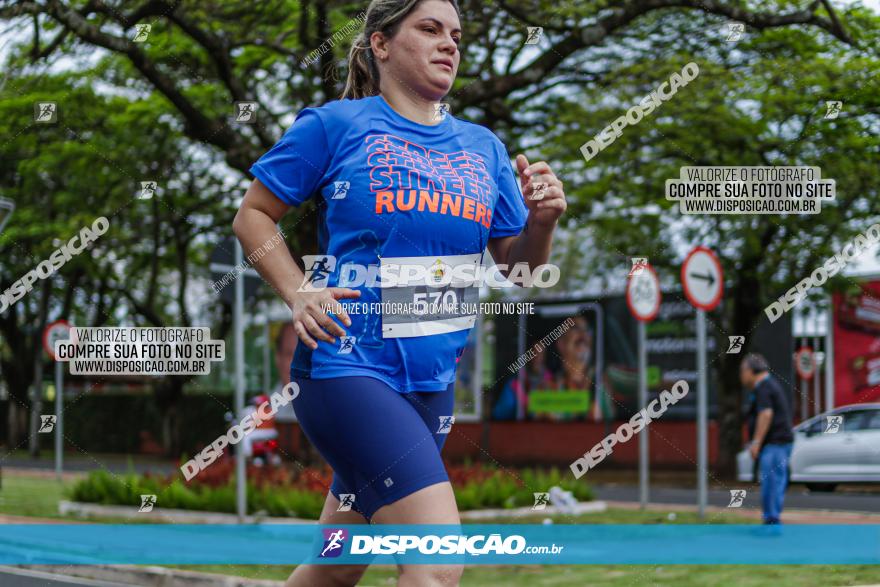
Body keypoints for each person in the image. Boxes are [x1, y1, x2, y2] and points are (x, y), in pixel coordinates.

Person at [234, 0, 566, 584]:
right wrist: (298, 292)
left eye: (457, 36)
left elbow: (517, 273)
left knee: (334, 570)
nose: (449, 45)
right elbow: (253, 217)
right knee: (437, 566)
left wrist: (542, 224)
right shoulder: (334, 126)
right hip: (347, 371)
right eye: (430, 29)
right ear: (382, 45)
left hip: (433, 388)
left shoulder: (484, 149)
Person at [740, 353, 794, 525]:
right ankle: (771, 518)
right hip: (776, 444)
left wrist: (756, 442)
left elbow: (766, 414)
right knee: (772, 483)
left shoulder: (764, 387)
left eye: (742, 371)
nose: (741, 376)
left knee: (771, 485)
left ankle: (771, 521)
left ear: (750, 371)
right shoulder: (766, 386)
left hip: (775, 444)